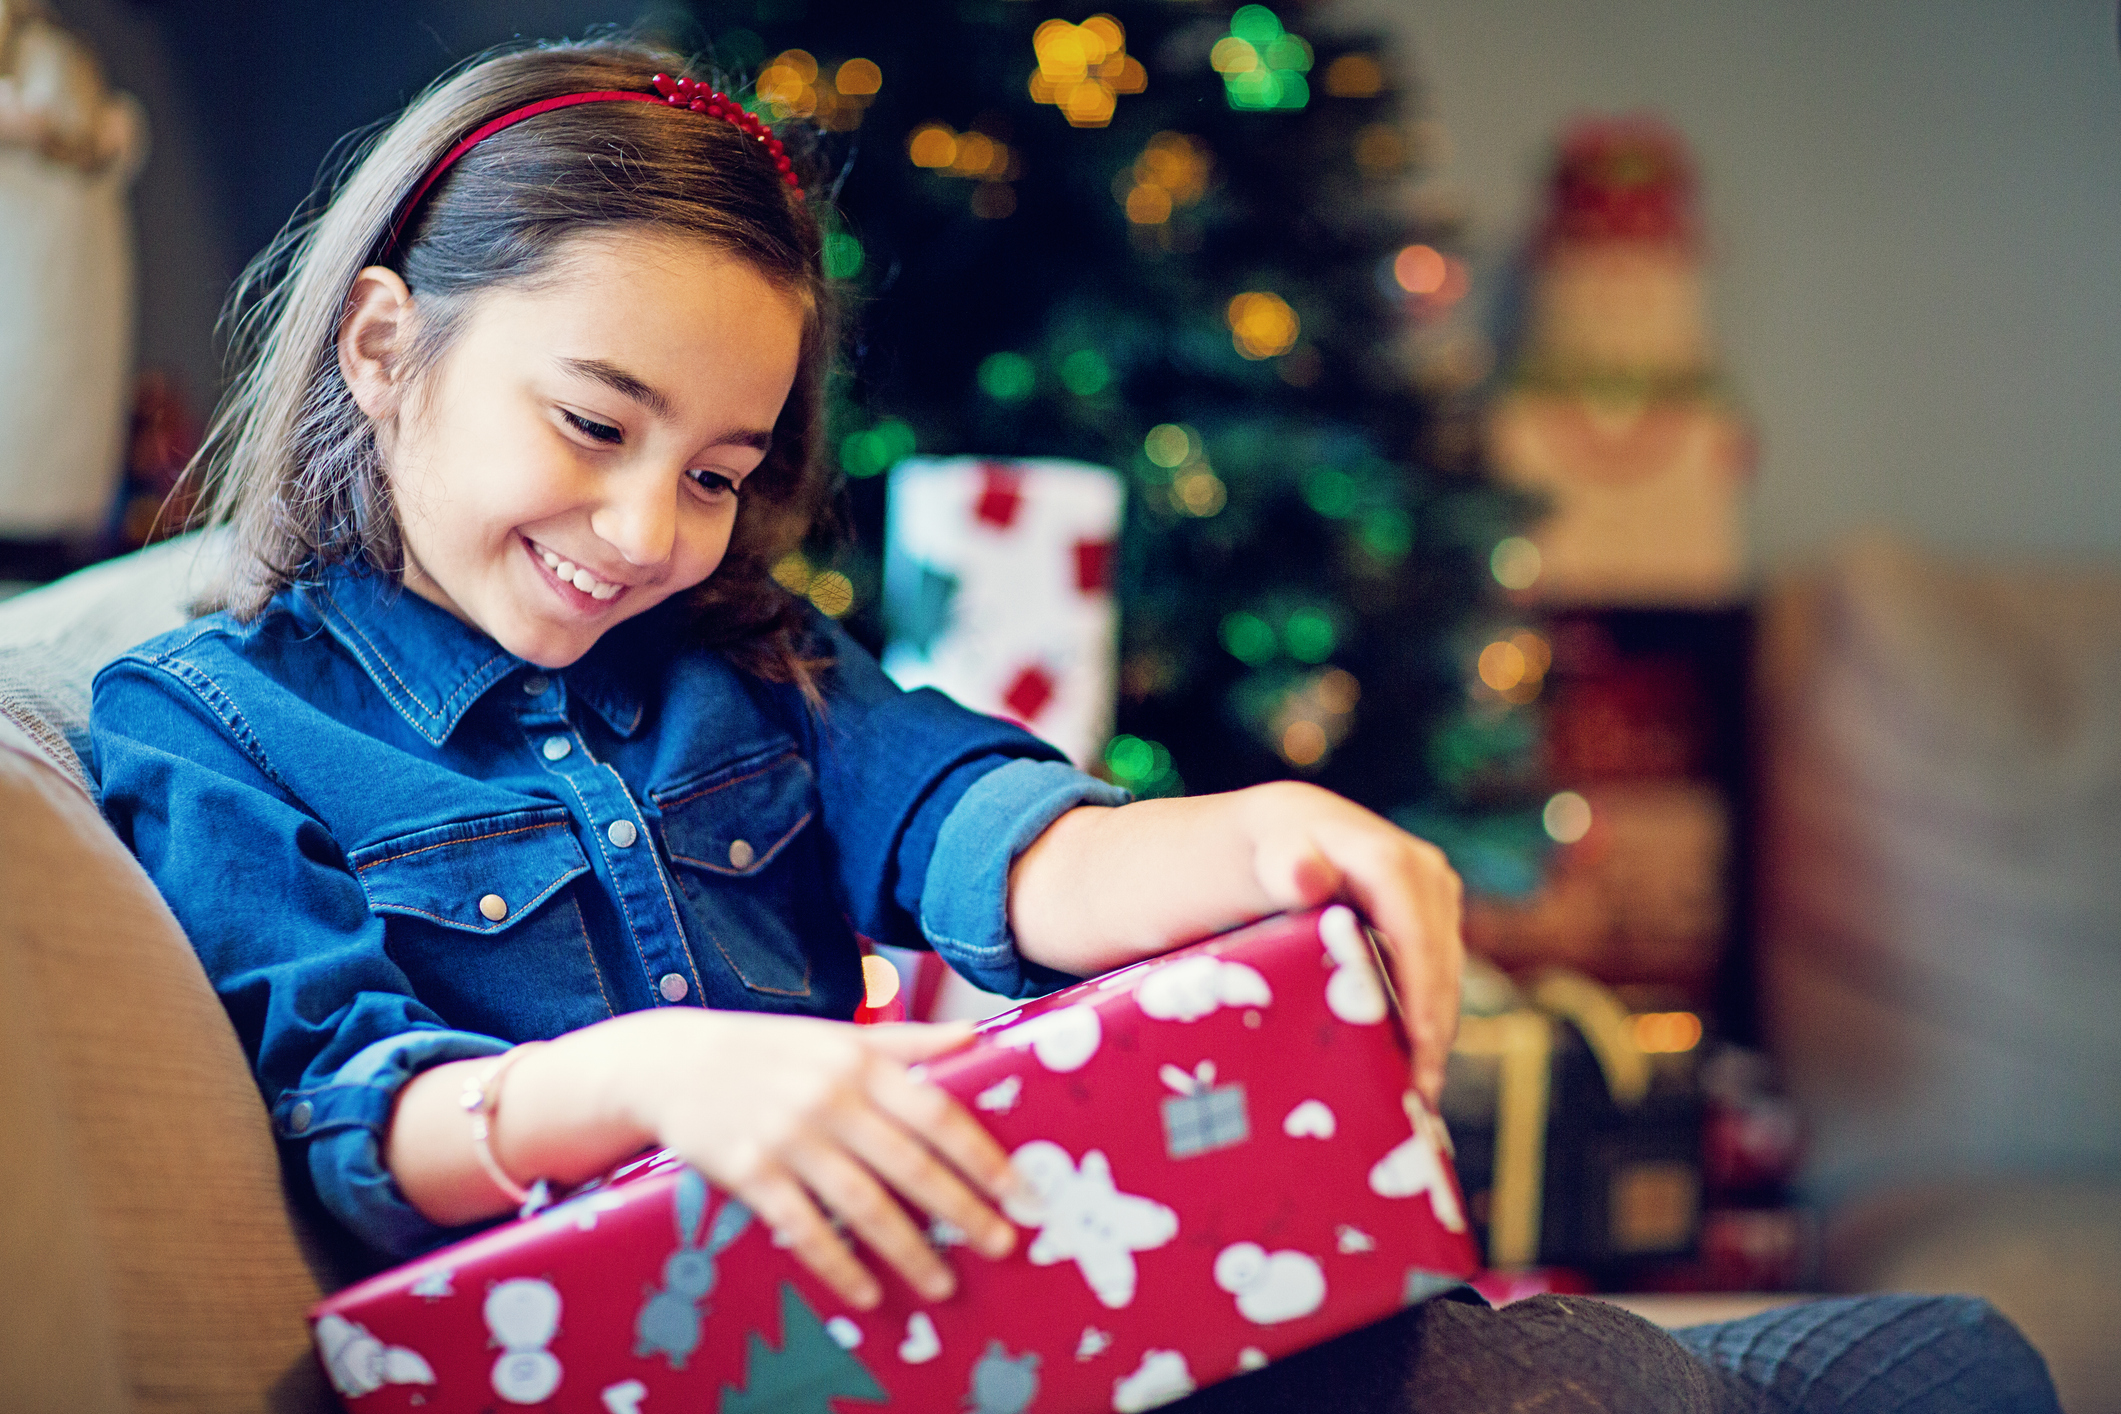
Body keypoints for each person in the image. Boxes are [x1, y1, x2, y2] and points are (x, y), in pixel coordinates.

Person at [89, 36, 2057, 1413]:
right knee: (1710, 1375)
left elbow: (999, 836)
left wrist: (1266, 830)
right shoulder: (205, 718)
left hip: (980, 1326)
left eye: (717, 468)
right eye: (594, 424)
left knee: (1843, 1355)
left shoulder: (744, 673)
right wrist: (672, 1075)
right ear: (379, 338)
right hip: (677, 1364)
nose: (642, 530)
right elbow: (359, 1118)